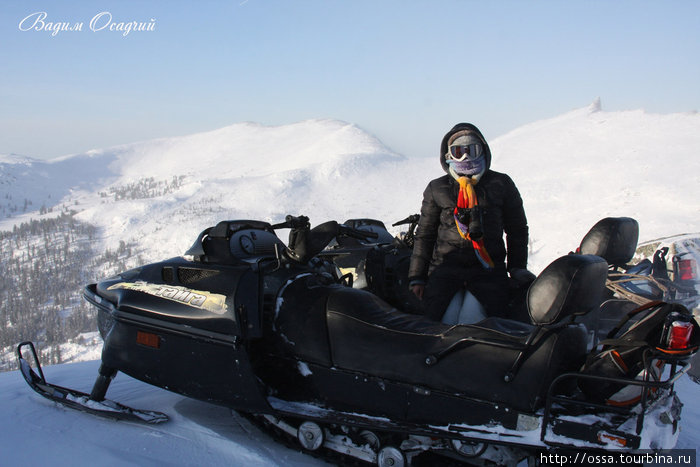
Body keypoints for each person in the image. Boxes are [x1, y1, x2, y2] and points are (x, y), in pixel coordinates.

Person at [408, 123, 533, 321]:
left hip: (487, 272)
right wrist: (417, 277)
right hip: (445, 272)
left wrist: (517, 269)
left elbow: (517, 230)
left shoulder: (501, 184)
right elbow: (425, 235)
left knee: (472, 320)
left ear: (483, 150)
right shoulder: (437, 188)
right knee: (446, 320)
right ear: (448, 155)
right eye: (459, 152)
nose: (466, 157)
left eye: (472, 150)